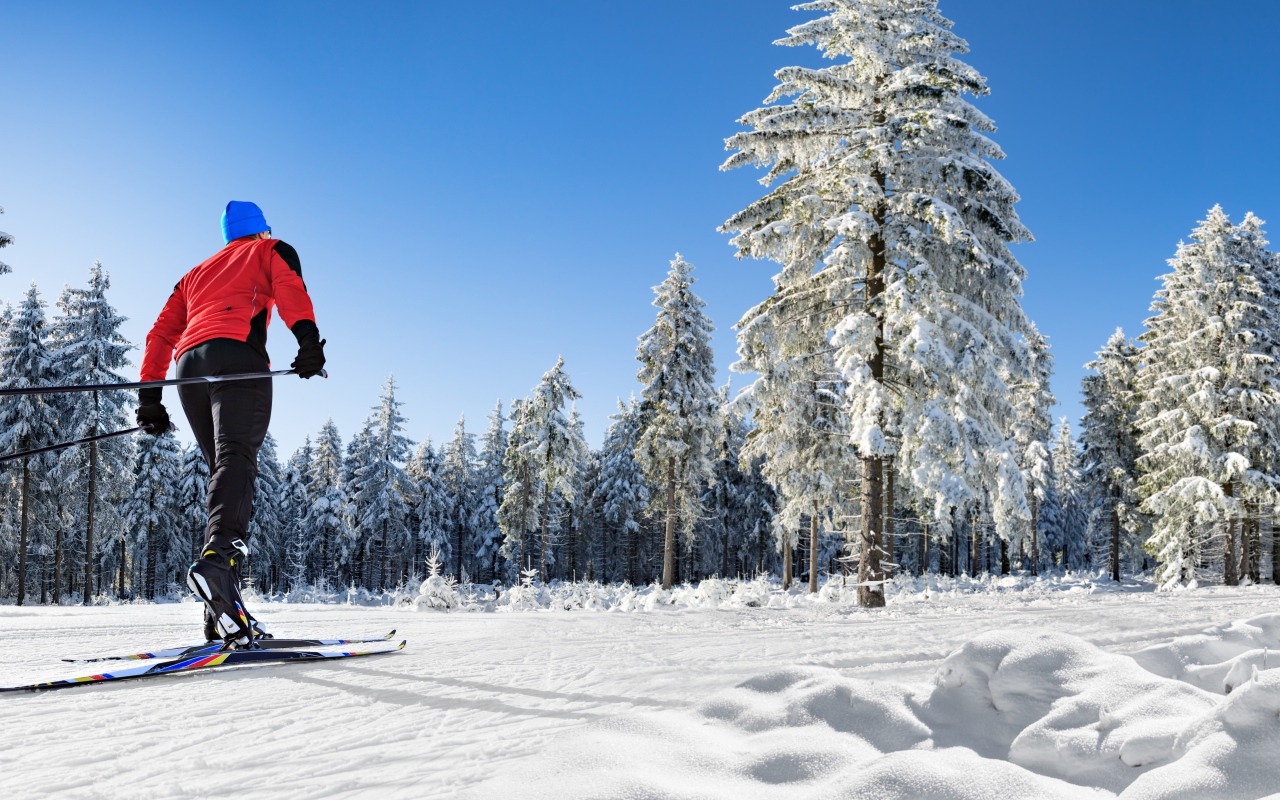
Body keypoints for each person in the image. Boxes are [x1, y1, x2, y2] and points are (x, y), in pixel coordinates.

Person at [137, 201, 326, 645]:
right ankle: (220, 564)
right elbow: (291, 289)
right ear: (260, 230)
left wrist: (150, 398)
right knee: (236, 461)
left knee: (224, 473)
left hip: (189, 368)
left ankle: (223, 612)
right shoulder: (270, 249)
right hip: (238, 357)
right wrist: (308, 342)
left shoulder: (194, 274)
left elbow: (160, 333)